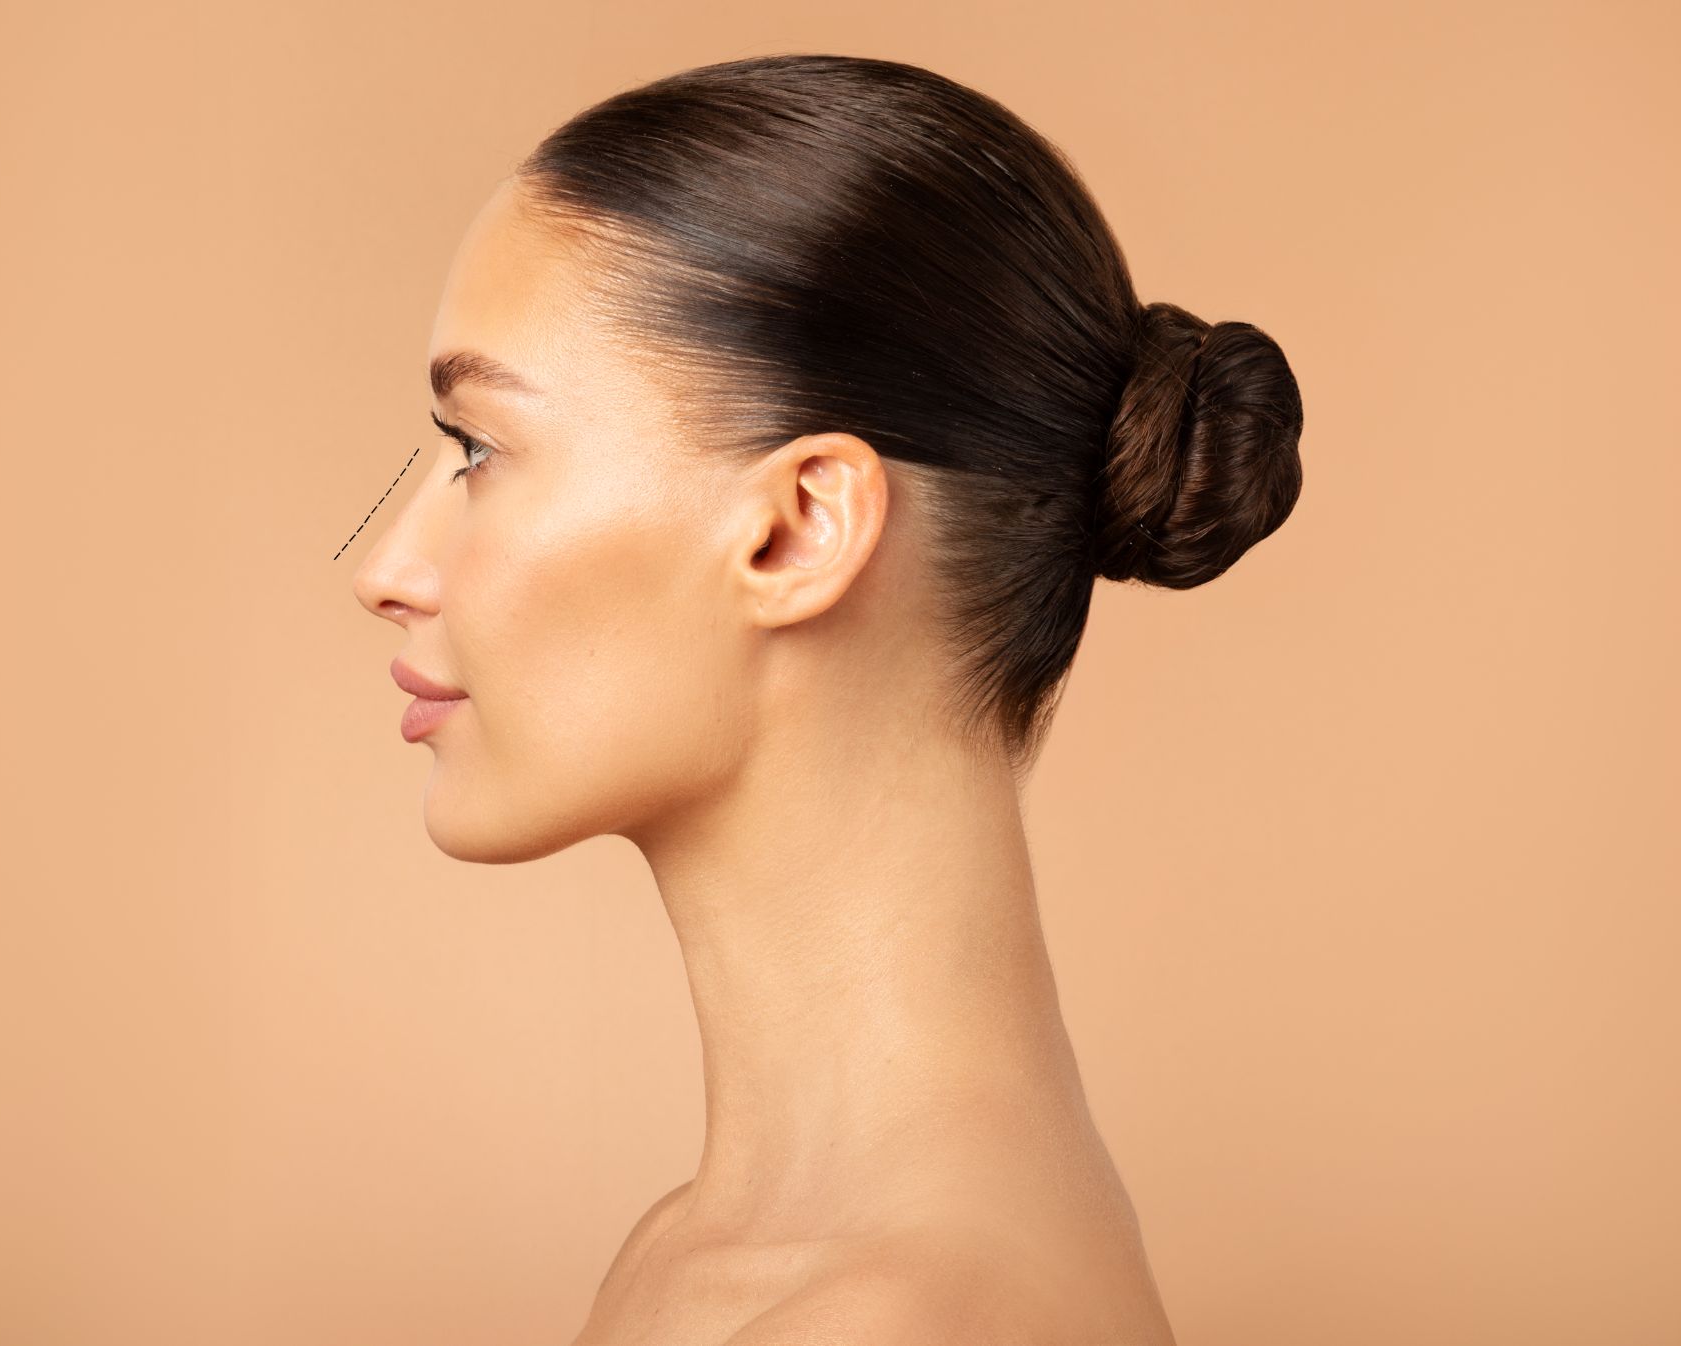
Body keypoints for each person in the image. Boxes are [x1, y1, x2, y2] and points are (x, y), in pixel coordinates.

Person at [353, 53, 1302, 1345]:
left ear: (798, 528)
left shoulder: (909, 1321)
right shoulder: (709, 1261)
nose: (386, 571)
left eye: (478, 450)